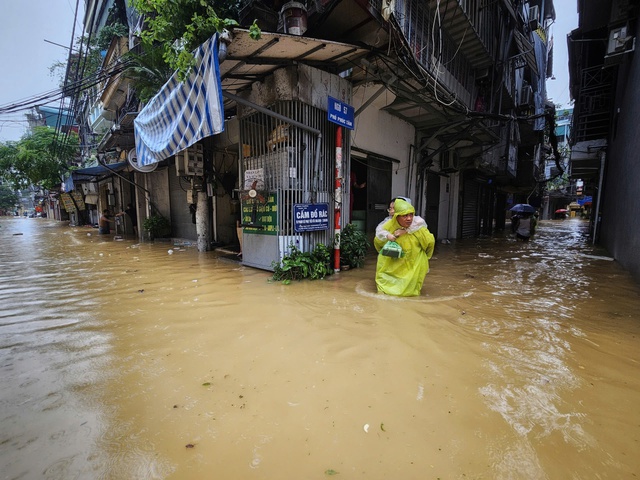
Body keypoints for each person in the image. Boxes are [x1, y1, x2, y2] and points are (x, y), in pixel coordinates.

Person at [373, 198, 435, 297]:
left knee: (410, 295)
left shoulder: (419, 228)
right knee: (385, 294)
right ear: (397, 216)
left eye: (411, 215)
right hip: (390, 270)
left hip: (413, 269)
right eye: (405, 215)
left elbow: (429, 243)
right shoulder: (386, 228)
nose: (409, 218)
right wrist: (389, 236)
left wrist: (423, 259)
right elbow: (378, 242)